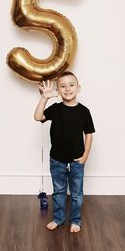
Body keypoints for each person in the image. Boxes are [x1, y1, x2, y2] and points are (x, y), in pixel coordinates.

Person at [34, 71, 95, 233]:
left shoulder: (84, 111)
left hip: (76, 161)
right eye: (62, 86)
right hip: (57, 160)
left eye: (71, 85)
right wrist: (45, 97)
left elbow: (89, 134)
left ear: (78, 88)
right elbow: (38, 116)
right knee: (59, 192)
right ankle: (58, 218)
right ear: (58, 91)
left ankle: (75, 220)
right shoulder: (56, 109)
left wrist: (85, 156)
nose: (67, 89)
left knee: (76, 194)